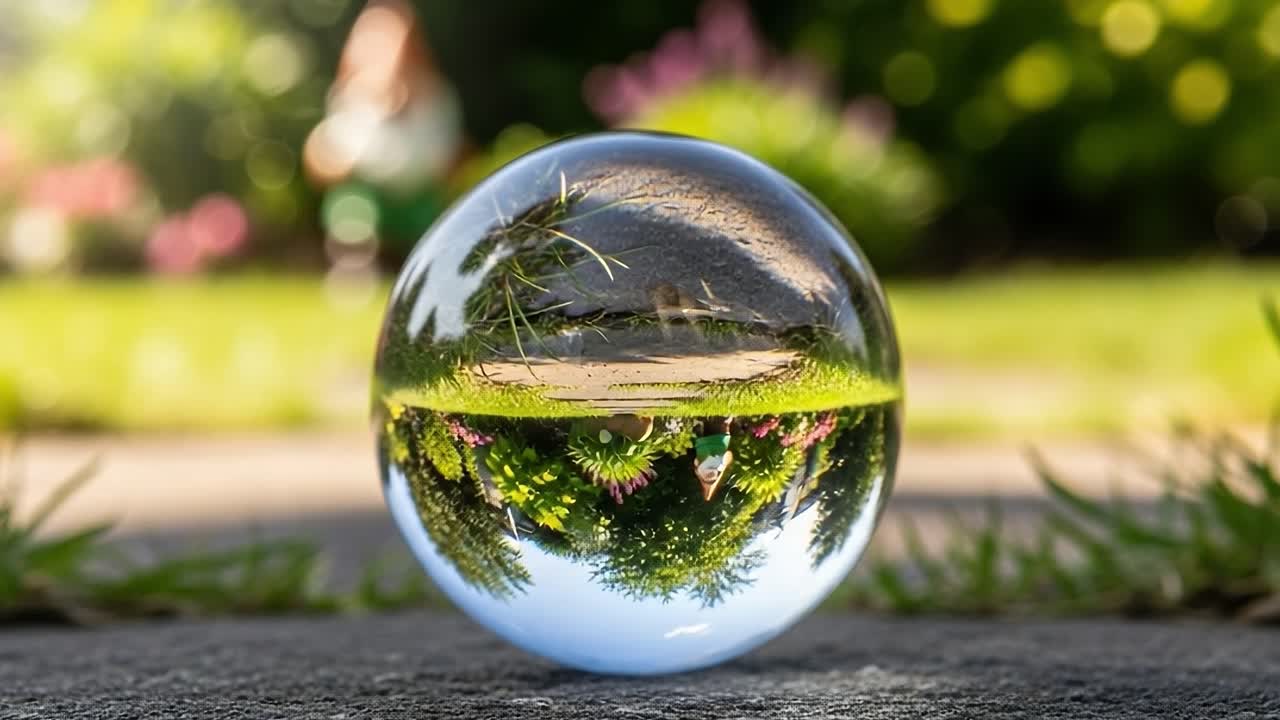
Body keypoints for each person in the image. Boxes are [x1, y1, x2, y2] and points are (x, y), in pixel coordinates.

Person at [693, 417, 734, 501]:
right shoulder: (720, 466)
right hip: (717, 436)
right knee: (722, 421)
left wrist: (708, 487)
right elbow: (728, 454)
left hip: (707, 438)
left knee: (712, 422)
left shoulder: (700, 470)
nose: (710, 476)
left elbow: (696, 462)